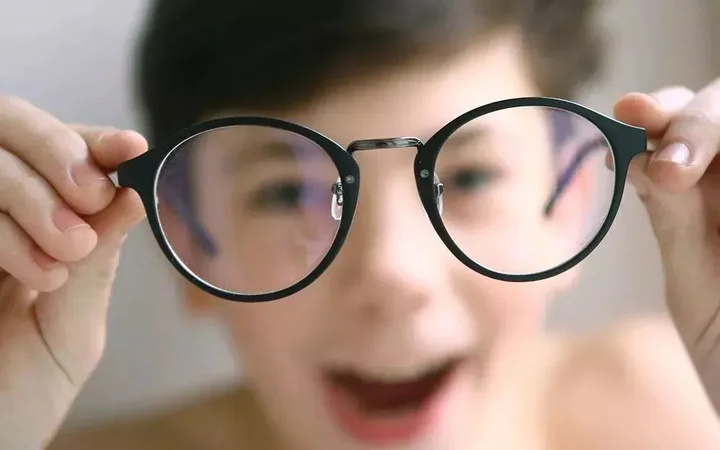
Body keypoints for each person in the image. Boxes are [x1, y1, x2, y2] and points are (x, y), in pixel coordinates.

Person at [0, 0, 718, 448]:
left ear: (569, 207)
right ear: (187, 241)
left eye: (469, 178)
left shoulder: (684, 408)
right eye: (287, 193)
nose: (391, 273)